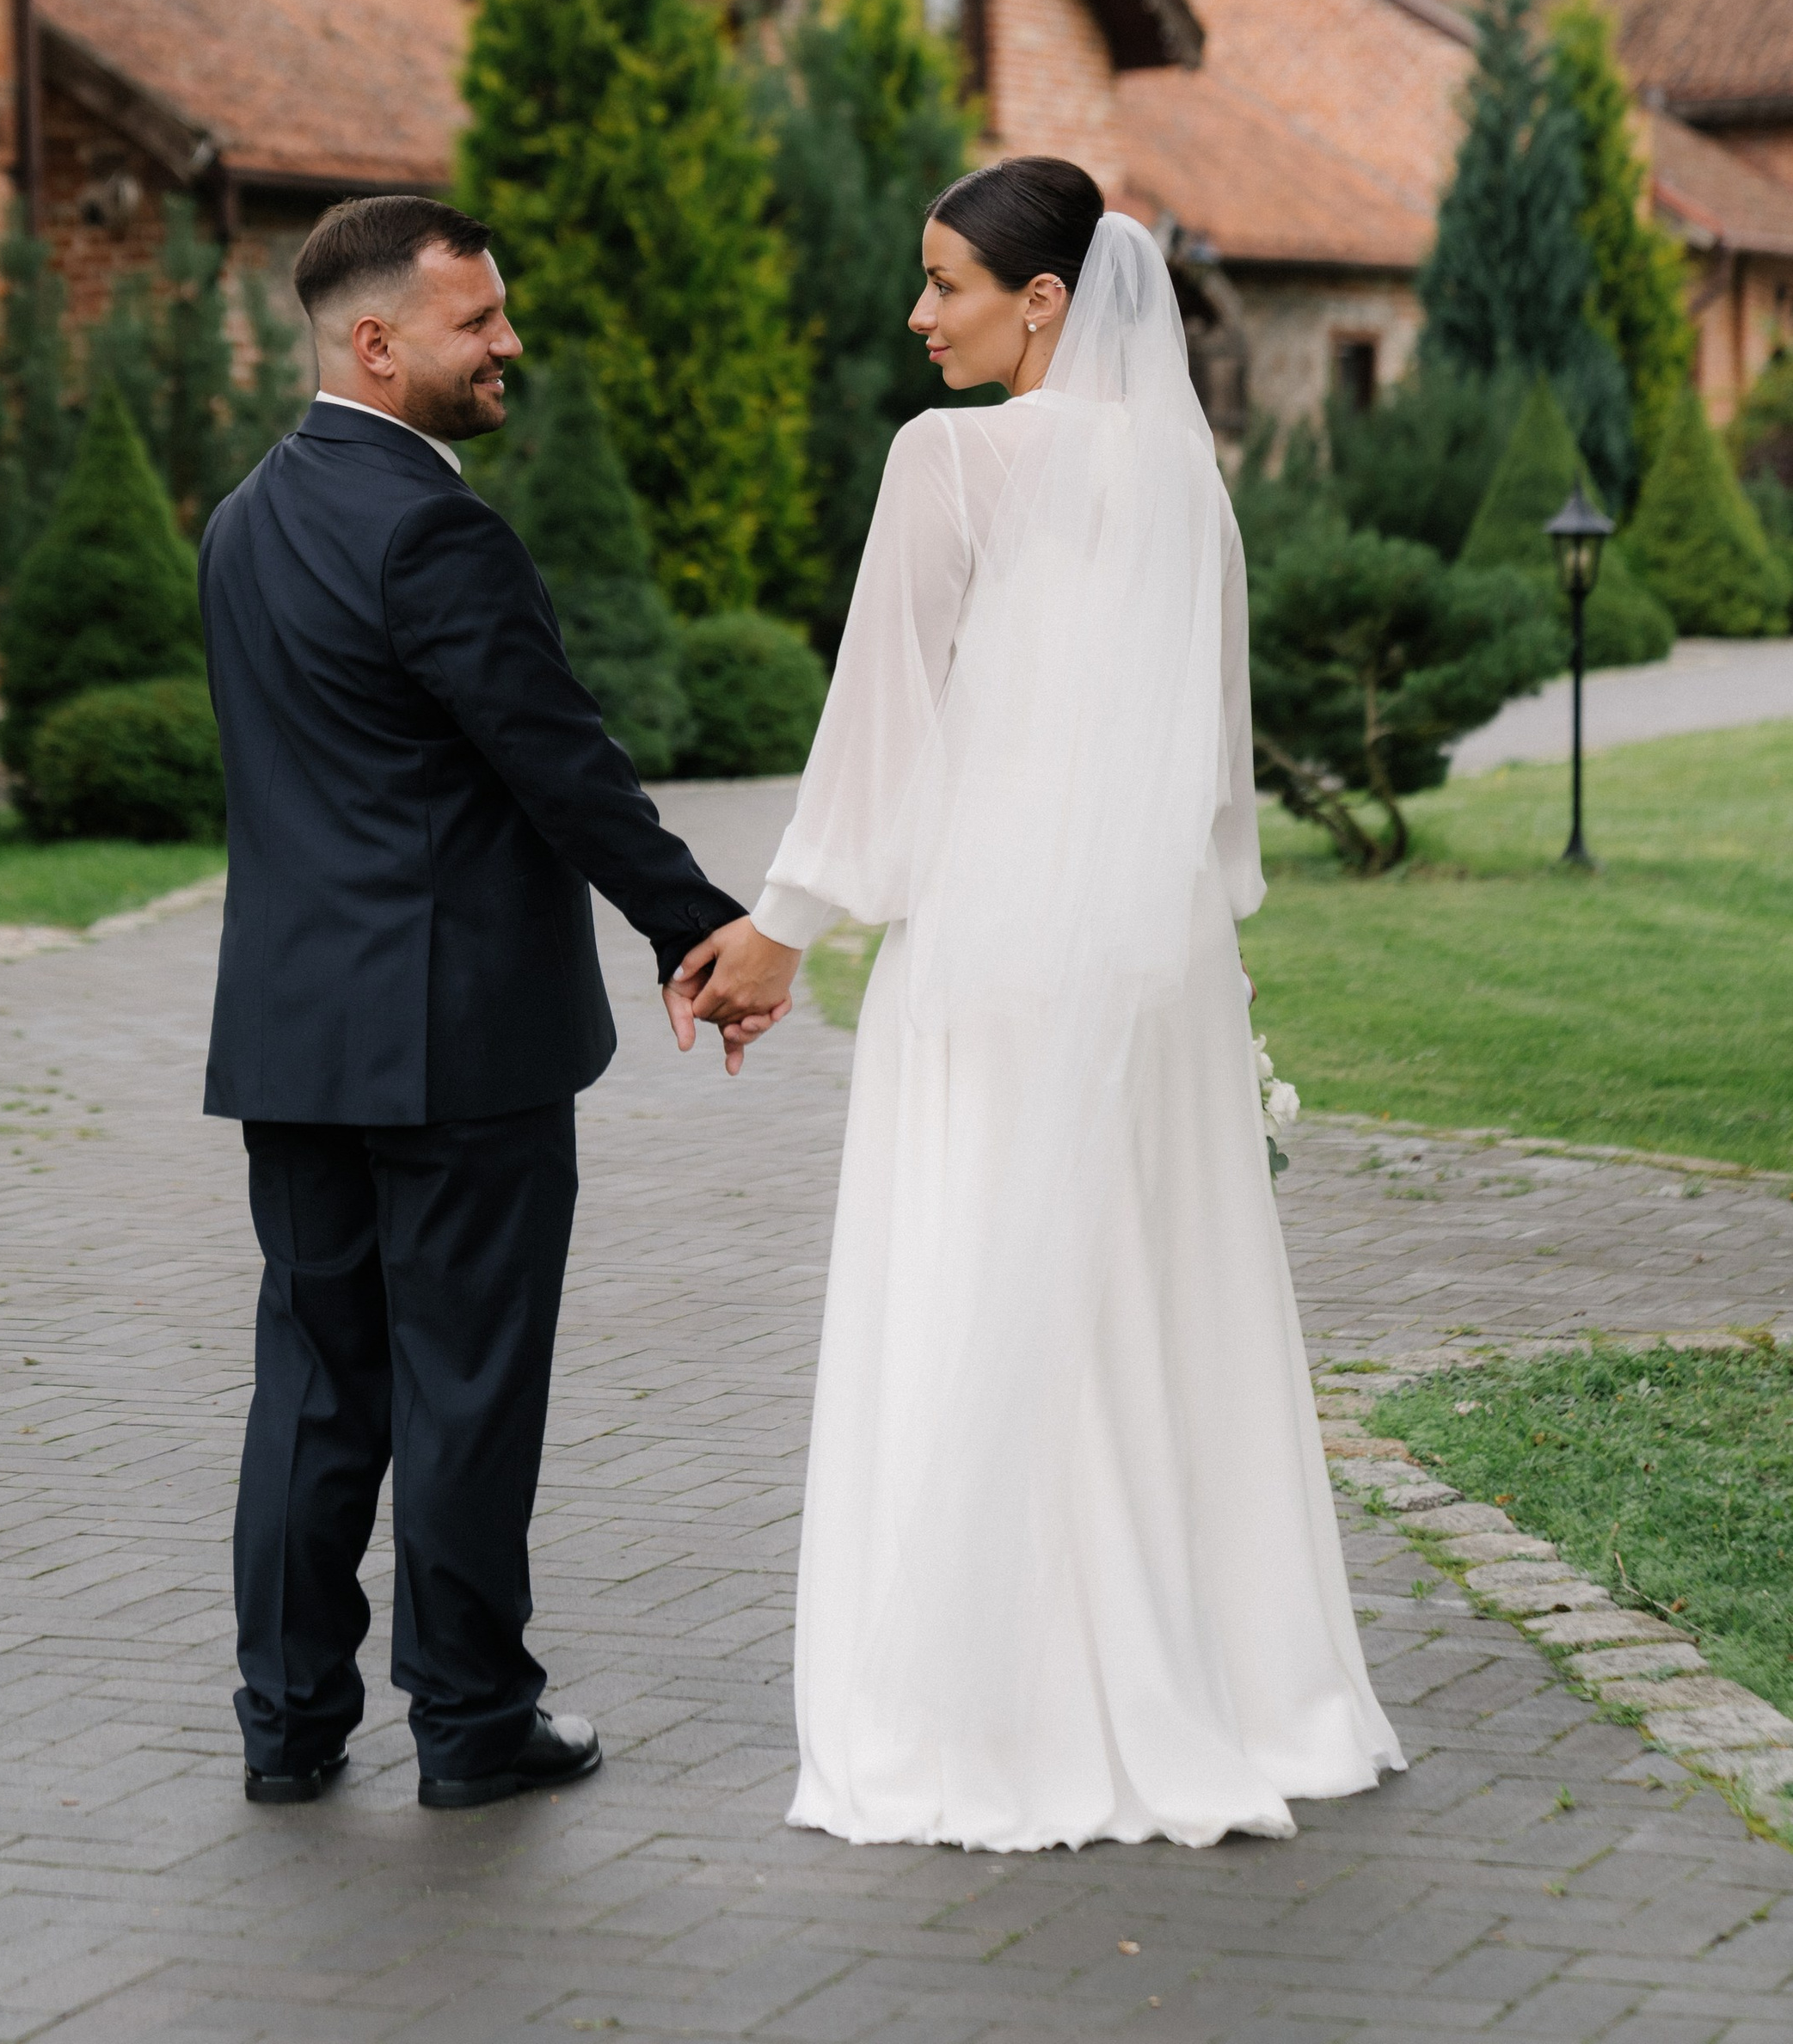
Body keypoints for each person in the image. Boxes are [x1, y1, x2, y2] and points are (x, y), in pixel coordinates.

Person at [679, 160, 1403, 1851]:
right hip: (1156, 964)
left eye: (944, 283)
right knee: (1147, 1293)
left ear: (1044, 301)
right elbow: (1211, 773)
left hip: (993, 960)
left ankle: (995, 1698)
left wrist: (783, 928)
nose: (917, 314)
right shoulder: (1184, 480)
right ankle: (1227, 1683)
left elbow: (881, 725)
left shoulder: (948, 459)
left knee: (979, 1284)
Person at [200, 194, 761, 1812]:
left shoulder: (241, 521)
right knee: (465, 1387)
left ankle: (287, 1726)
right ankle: (468, 1723)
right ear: (377, 343)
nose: (510, 342)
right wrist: (702, 927)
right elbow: (558, 762)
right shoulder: (435, 532)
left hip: (297, 1038)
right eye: (479, 321)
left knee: (314, 1389)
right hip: (457, 1047)